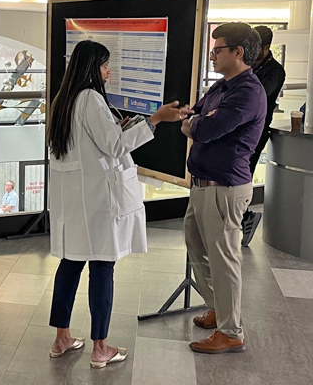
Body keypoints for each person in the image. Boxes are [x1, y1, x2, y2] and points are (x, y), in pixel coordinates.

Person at [47, 40, 189, 368]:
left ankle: (62, 338)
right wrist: (153, 120)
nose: (108, 71)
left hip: (73, 201)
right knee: (102, 267)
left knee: (70, 265)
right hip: (96, 201)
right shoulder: (91, 99)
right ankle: (100, 348)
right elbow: (113, 147)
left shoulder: (63, 99)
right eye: (105, 65)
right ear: (91, 67)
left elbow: (85, 144)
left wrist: (117, 127)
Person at [181, 22, 266, 353]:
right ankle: (218, 309)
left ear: (238, 52)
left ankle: (231, 330)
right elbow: (197, 116)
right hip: (202, 184)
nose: (212, 56)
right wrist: (200, 121)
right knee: (196, 247)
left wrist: (199, 124)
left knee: (224, 258)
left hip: (225, 187)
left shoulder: (248, 92)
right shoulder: (221, 87)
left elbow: (203, 128)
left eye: (217, 50)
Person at [241, 25, 286, 247]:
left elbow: (255, 95)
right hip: (238, 127)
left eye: (256, 46)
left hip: (255, 131)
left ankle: (245, 217)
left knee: (244, 173)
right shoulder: (247, 64)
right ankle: (240, 217)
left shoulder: (275, 71)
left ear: (266, 47)